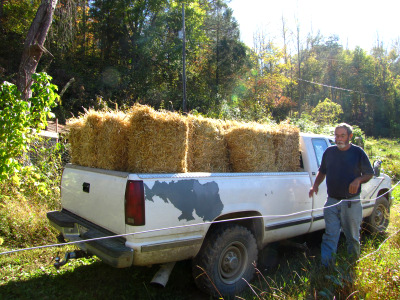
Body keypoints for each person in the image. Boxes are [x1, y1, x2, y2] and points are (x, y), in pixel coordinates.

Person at [309, 123, 374, 267]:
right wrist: (315, 186)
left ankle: (352, 266)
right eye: (336, 135)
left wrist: (358, 180)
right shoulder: (329, 152)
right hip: (332, 201)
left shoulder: (358, 152)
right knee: (330, 235)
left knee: (352, 236)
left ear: (350, 137)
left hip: (351, 202)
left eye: (342, 135)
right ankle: (327, 267)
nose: (339, 139)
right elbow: (322, 171)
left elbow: (369, 173)